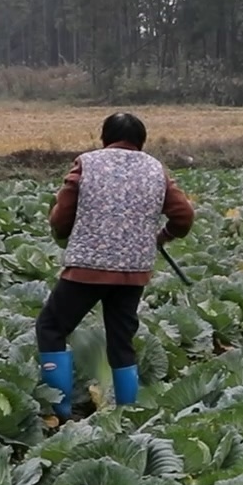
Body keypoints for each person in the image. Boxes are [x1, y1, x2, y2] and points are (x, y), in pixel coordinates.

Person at [35, 112, 195, 419]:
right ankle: (127, 411)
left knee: (51, 327)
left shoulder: (88, 163)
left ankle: (60, 410)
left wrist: (63, 231)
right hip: (133, 271)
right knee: (121, 339)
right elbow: (184, 217)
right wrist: (162, 236)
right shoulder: (155, 169)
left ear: (105, 138)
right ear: (141, 141)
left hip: (87, 267)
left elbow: (61, 217)